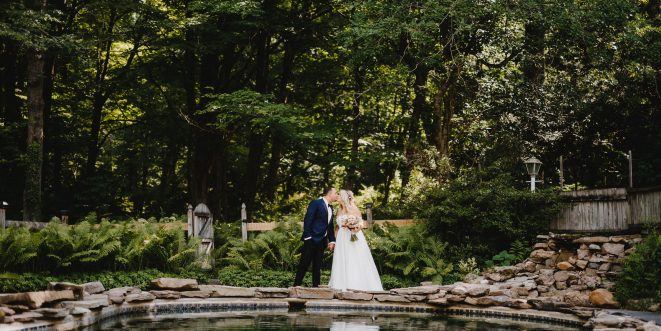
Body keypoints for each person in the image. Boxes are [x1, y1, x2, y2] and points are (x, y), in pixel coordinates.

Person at [328, 189, 383, 291]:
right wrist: (334, 240)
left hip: (352, 237)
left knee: (353, 258)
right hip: (341, 239)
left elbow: (361, 222)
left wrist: (355, 227)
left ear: (343, 198)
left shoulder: (353, 208)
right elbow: (337, 227)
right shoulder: (339, 210)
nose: (337, 197)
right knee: (342, 260)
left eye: (339, 195)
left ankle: (355, 285)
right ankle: (340, 286)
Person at [293, 187, 338, 287]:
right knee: (304, 264)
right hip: (311, 239)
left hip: (322, 241)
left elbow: (329, 226)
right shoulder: (316, 203)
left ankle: (315, 287)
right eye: (336, 193)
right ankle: (296, 286)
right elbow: (308, 219)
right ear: (329, 194)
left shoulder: (331, 208)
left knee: (317, 266)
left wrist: (332, 240)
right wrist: (308, 236)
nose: (337, 195)